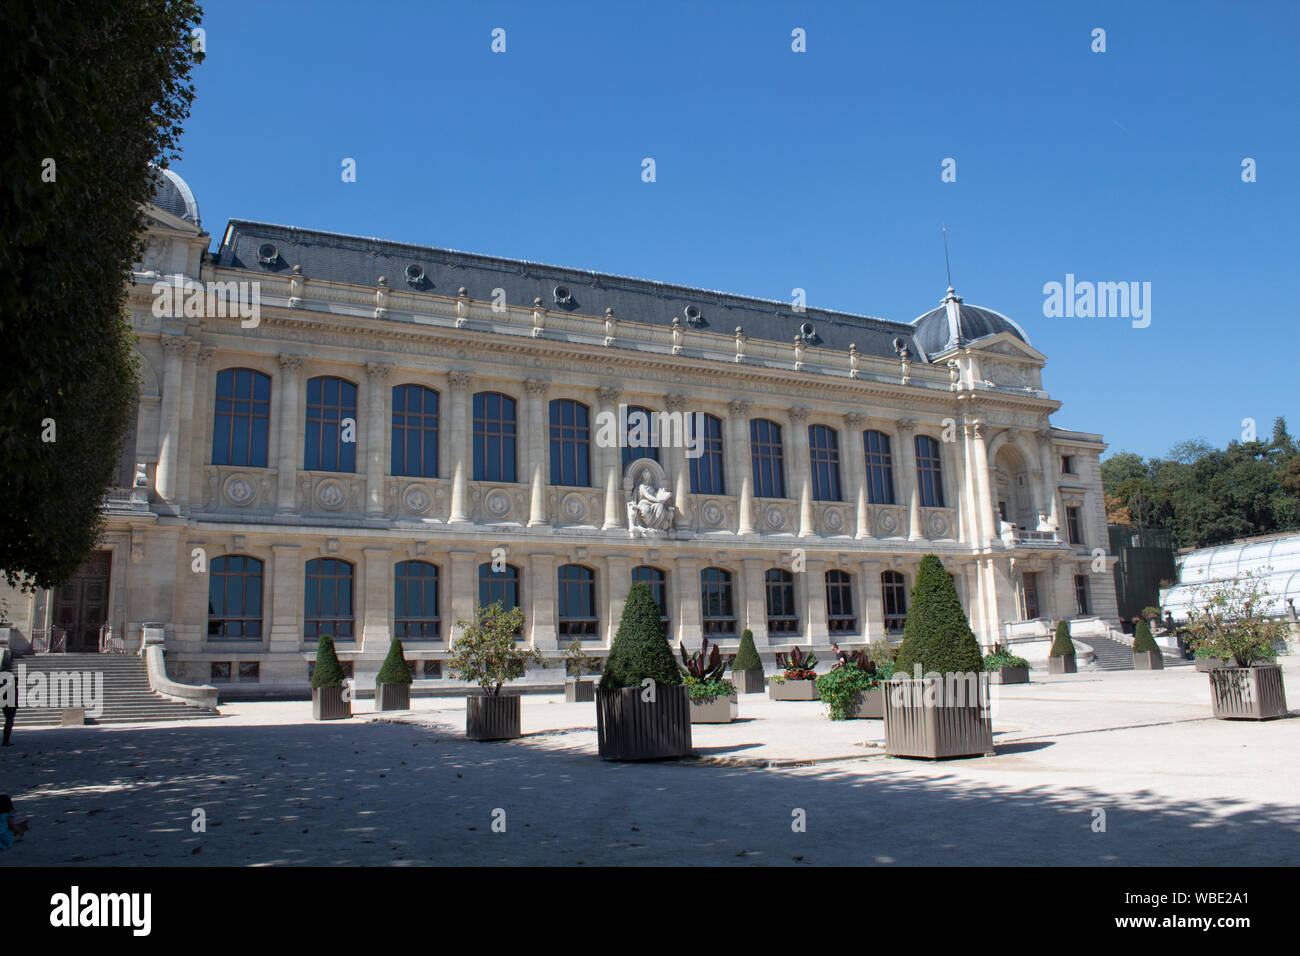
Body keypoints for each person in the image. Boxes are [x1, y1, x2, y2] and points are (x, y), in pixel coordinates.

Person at [1, 648, 16, 747]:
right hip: (8, 705)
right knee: (9, 722)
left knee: (9, 722)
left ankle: (6, 740)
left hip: (9, 705)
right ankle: (5, 741)